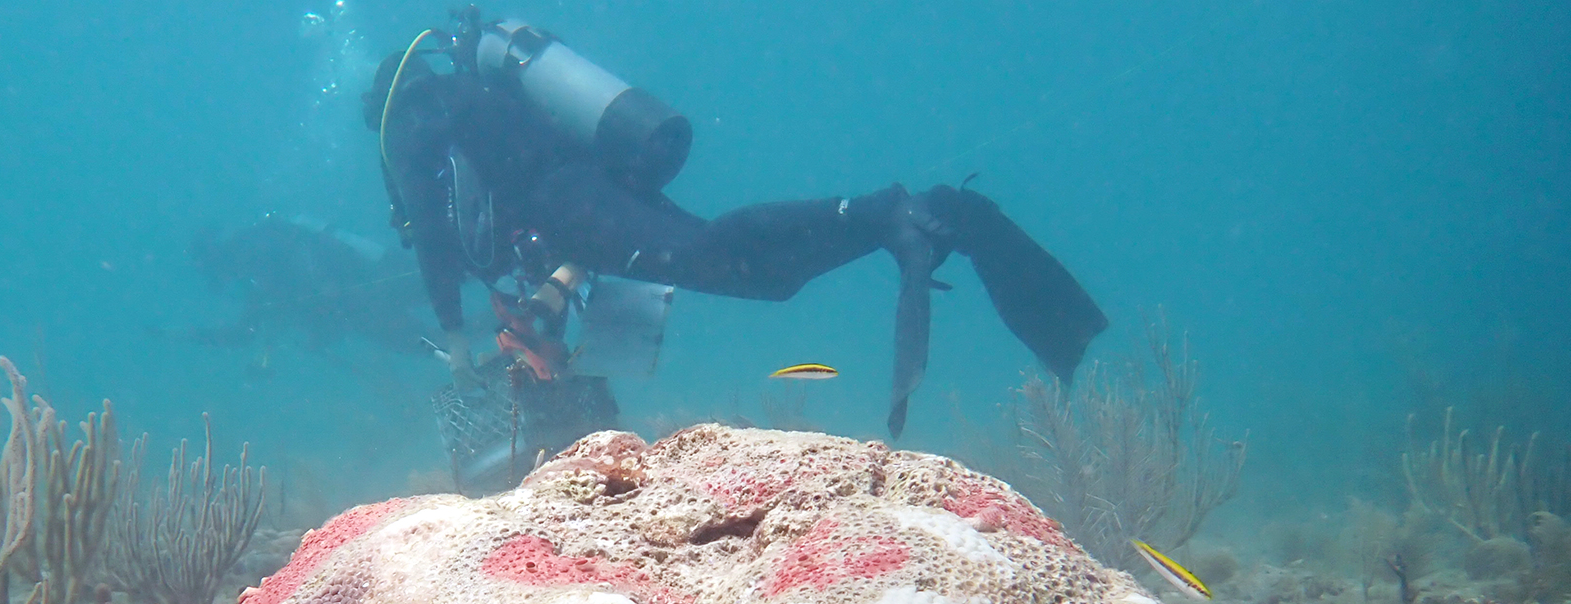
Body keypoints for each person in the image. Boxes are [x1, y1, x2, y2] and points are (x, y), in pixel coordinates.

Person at [366, 9, 1107, 490]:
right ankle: (899, 218)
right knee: (747, 271)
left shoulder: (408, 124)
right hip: (584, 195)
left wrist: (457, 341)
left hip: (577, 200)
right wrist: (556, 286)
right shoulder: (476, 110)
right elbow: (537, 205)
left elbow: (435, 235)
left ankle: (897, 213)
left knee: (719, 259)